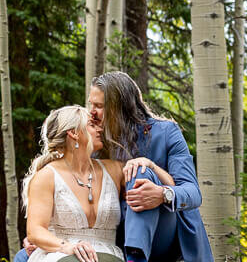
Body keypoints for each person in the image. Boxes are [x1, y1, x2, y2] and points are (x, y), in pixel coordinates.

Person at [88, 71, 213, 262]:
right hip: (117, 233)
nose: (92, 112)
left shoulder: (165, 131)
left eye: (98, 106)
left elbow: (193, 193)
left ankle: (135, 259)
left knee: (140, 171)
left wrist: (161, 193)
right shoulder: (96, 141)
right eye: (91, 104)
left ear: (118, 108)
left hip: (167, 235)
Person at [20, 105, 134, 262]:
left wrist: (148, 164)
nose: (99, 129)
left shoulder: (114, 169)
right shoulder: (46, 176)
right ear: (73, 133)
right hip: (60, 255)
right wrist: (67, 247)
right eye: (92, 125)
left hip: (109, 255)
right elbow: (35, 231)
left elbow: (162, 186)